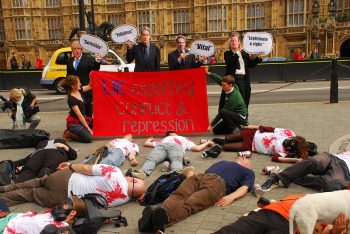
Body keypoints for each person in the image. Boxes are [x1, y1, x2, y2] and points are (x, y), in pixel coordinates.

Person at [138, 158, 255, 233]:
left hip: (218, 185)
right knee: (177, 195)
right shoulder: (225, 161)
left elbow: (245, 188)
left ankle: (161, 222)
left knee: (190, 204)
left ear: (248, 166)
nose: (243, 156)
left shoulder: (249, 172)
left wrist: (231, 197)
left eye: (246, 158)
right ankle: (158, 216)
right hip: (200, 177)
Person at [0, 162, 146, 208]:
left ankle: (5, 188)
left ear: (132, 180)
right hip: (63, 198)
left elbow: (86, 169)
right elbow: (137, 192)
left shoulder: (114, 172)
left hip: (66, 178)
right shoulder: (123, 200)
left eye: (135, 178)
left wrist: (71, 164)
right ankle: (3, 199)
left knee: (39, 181)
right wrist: (140, 194)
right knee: (29, 195)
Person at [213, 194, 349, 234]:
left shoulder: (340, 215)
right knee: (230, 232)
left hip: (287, 226)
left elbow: (330, 228)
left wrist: (335, 232)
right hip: (270, 213)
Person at [131, 131, 213, 180]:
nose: (171, 134)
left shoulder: (183, 138)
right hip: (162, 146)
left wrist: (207, 143)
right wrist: (149, 139)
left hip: (176, 146)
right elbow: (146, 144)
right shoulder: (163, 140)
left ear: (176, 134)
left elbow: (197, 148)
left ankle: (176, 173)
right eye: (169, 134)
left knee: (176, 159)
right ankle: (143, 172)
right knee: (152, 158)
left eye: (172, 133)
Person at [212, 125, 314, 163]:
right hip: (253, 134)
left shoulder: (286, 151)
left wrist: (295, 159)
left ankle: (223, 143)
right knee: (228, 138)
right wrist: (253, 127)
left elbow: (275, 159)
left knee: (226, 147)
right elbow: (270, 129)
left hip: (252, 146)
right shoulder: (289, 133)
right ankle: (223, 140)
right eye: (291, 140)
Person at [260, 150, 350, 193]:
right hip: (333, 157)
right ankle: (276, 178)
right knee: (314, 161)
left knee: (330, 184)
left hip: (344, 170)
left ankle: (286, 174)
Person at [0, 196, 84, 233]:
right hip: (14, 217)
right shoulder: (55, 214)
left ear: (72, 212)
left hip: (6, 227)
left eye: (66, 203)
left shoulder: (59, 229)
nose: (62, 203)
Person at [9, 139, 77, 184]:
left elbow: (73, 155)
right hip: (42, 153)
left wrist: (64, 146)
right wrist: (12, 163)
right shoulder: (41, 143)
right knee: (29, 169)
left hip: (53, 152)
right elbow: (25, 159)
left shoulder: (59, 141)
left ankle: (14, 186)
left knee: (32, 169)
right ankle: (13, 186)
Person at [224, 33, 263, 108]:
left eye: (235, 41)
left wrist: (258, 58)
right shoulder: (227, 53)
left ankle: (244, 115)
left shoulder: (244, 53)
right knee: (234, 100)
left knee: (245, 98)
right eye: (232, 41)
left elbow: (250, 65)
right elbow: (230, 62)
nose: (233, 42)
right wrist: (238, 52)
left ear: (239, 43)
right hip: (233, 80)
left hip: (244, 79)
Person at [206, 68, 248, 135]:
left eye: (224, 85)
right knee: (216, 131)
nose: (222, 87)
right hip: (233, 115)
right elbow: (219, 79)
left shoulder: (233, 97)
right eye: (222, 85)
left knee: (223, 111)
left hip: (240, 118)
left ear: (230, 85)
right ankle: (233, 128)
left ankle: (236, 127)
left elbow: (222, 113)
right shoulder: (233, 86)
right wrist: (209, 73)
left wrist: (211, 125)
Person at [66, 40, 101, 117]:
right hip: (75, 91)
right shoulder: (69, 61)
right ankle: (78, 127)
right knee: (77, 113)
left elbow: (95, 70)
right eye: (74, 49)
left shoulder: (88, 59)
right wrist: (68, 90)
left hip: (86, 90)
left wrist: (97, 61)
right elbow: (68, 76)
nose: (76, 50)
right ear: (72, 50)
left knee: (88, 112)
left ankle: (88, 128)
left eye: (78, 48)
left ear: (81, 49)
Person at [61, 75, 93, 143]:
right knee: (89, 139)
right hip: (74, 123)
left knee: (98, 124)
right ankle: (70, 134)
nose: (80, 84)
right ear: (73, 86)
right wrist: (88, 129)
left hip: (83, 120)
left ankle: (83, 129)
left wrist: (91, 75)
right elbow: (79, 116)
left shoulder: (79, 90)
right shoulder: (71, 99)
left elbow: (90, 86)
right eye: (78, 82)